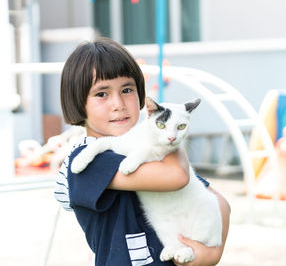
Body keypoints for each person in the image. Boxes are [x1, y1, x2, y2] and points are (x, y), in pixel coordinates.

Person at [54, 37, 230, 266]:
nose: (118, 103)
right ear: (78, 102)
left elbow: (219, 202)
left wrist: (212, 252)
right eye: (102, 94)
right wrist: (171, 137)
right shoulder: (88, 161)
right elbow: (177, 177)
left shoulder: (147, 145)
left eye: (127, 89)